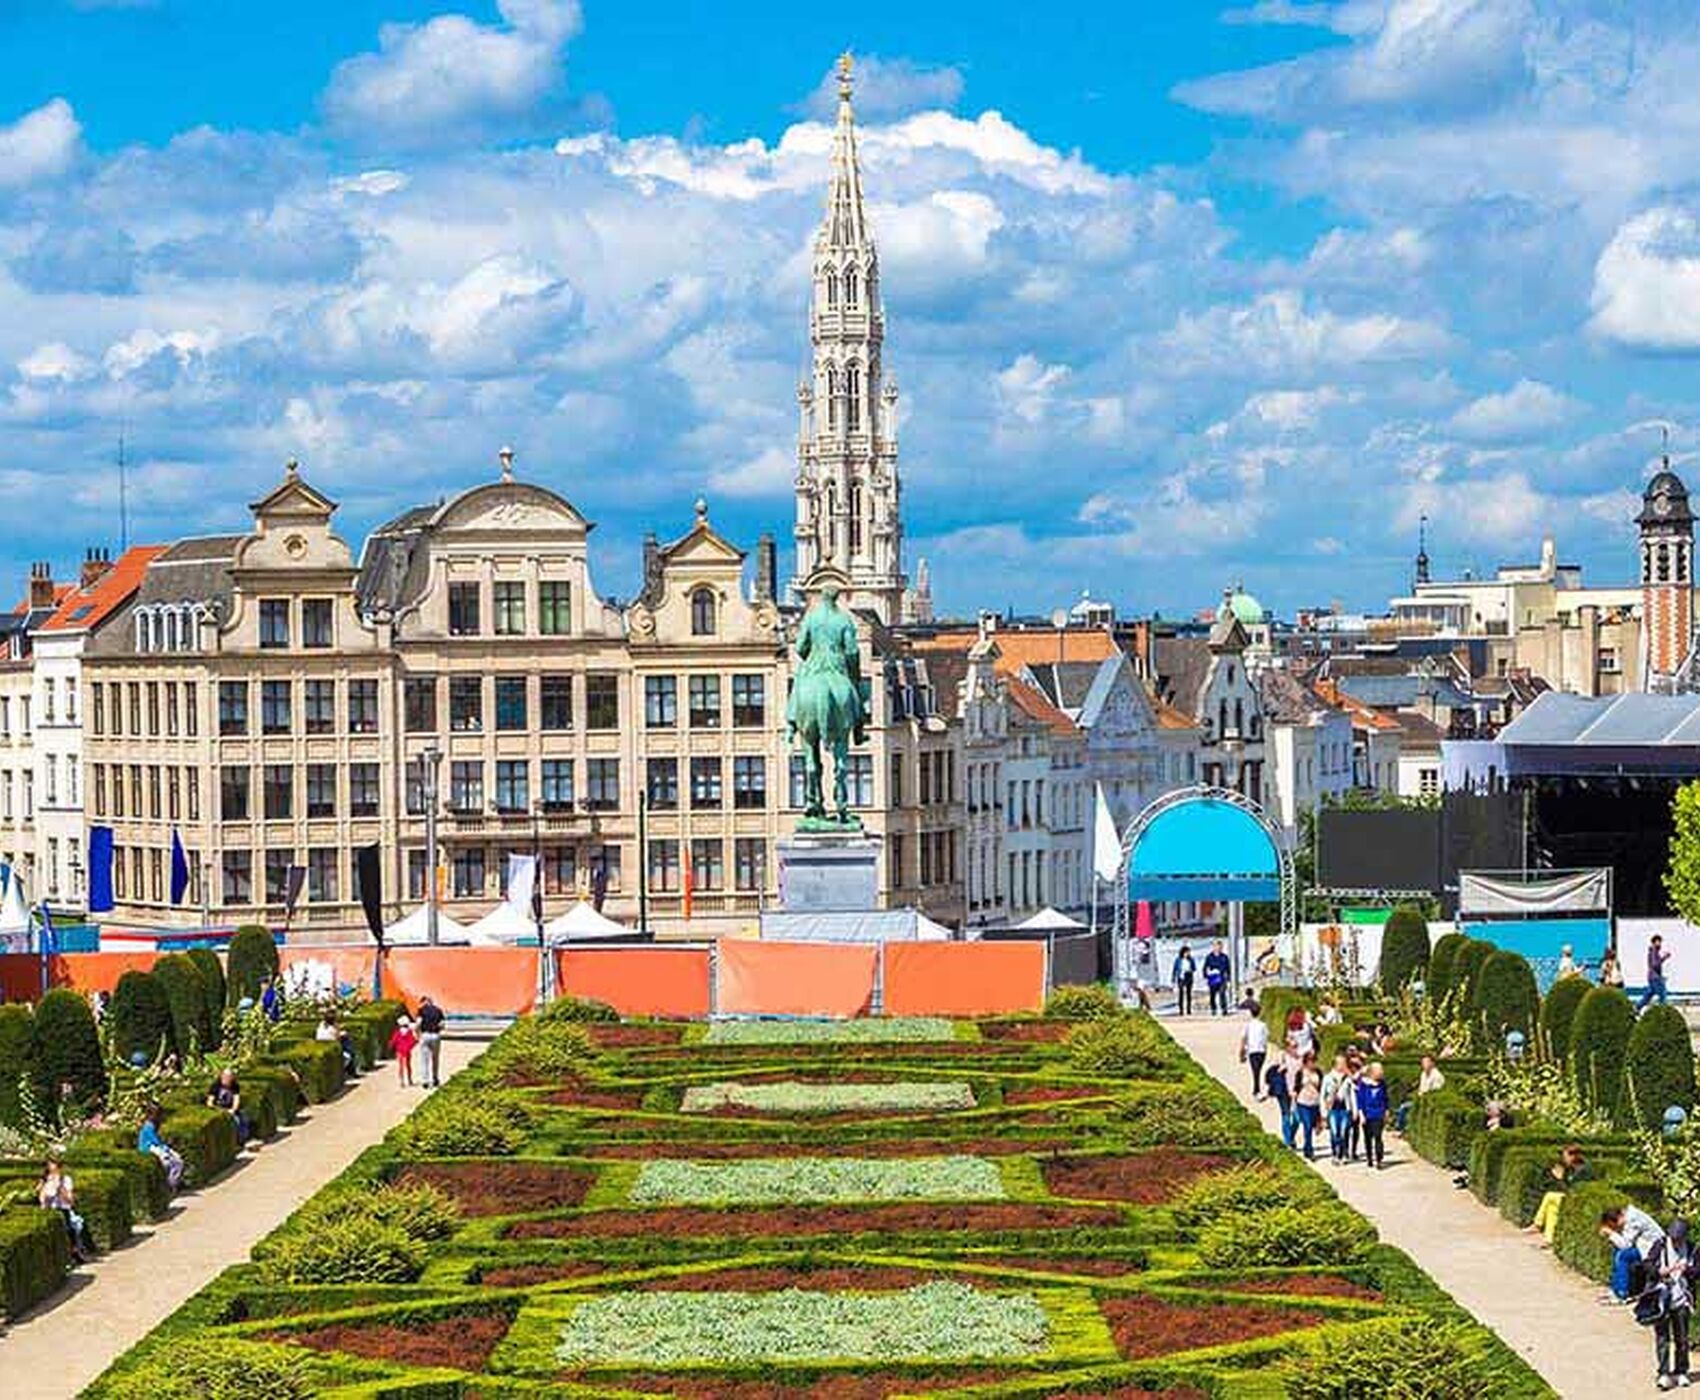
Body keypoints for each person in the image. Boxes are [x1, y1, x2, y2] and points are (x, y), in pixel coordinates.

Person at [1645, 1219, 1699, 1389]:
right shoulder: (1660, 1245)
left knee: (1682, 1339)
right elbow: (1646, 1265)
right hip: (1661, 1299)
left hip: (1682, 1299)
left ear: (1685, 1237)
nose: (1675, 1243)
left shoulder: (1692, 1248)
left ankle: (1681, 1371)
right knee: (1662, 1338)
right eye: (1673, 1239)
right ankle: (1663, 1373)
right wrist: (1658, 1271)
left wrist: (1687, 1270)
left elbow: (1698, 1272)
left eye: (1679, 1239)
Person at [1602, 1202, 1667, 1301]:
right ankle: (1615, 1288)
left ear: (1619, 1217)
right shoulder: (1630, 1217)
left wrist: (1611, 1234)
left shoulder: (1633, 1220)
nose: (1616, 1228)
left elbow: (1625, 1245)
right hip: (1643, 1247)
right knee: (1617, 1252)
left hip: (1652, 1250)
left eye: (1614, 1225)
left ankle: (1621, 1293)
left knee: (1623, 1256)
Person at [1529, 1145, 1592, 1244]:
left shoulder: (1582, 1170)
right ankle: (1549, 1239)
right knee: (1551, 1208)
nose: (1564, 1159)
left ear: (1573, 1156)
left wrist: (1560, 1178)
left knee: (1550, 1196)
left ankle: (1537, 1224)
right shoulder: (1571, 1168)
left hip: (1578, 1197)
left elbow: (1570, 1189)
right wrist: (1558, 1177)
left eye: (1565, 1156)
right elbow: (1566, 1187)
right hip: (1570, 1195)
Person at [38, 1156, 93, 1261]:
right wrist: (43, 1196)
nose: (49, 1166)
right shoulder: (45, 1179)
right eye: (48, 1164)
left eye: (52, 1164)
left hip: (63, 1208)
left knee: (68, 1230)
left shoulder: (65, 1179)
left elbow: (70, 1200)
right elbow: (41, 1196)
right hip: (49, 1210)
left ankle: (74, 1252)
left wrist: (60, 1189)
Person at [136, 1103, 185, 1191]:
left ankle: (173, 1182)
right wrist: (165, 1147)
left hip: (155, 1147)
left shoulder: (152, 1125)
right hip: (149, 1147)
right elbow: (155, 1141)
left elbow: (157, 1142)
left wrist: (166, 1147)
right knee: (169, 1162)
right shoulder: (148, 1126)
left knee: (178, 1160)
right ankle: (171, 1183)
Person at [1395, 1054, 1447, 1133]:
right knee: (1403, 1106)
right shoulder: (1423, 1074)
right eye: (1423, 1062)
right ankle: (1401, 1128)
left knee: (1404, 1108)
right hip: (1420, 1099)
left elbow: (1435, 1092)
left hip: (1429, 1101)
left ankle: (1400, 1129)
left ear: (1432, 1063)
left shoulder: (1437, 1076)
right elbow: (1421, 1089)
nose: (1424, 1064)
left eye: (1426, 1062)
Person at [206, 1067, 256, 1149]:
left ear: (232, 1078)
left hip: (230, 1109)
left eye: (228, 1077)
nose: (226, 1079)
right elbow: (209, 1102)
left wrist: (233, 1110)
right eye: (225, 1076)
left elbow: (236, 1100)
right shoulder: (215, 1086)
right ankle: (237, 1143)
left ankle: (243, 1140)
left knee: (244, 1119)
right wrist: (219, 1110)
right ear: (221, 1076)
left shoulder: (235, 1086)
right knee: (236, 1122)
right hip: (219, 1109)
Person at [1321, 1054, 1355, 1165]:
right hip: (1332, 1109)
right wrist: (1323, 1112)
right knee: (1335, 1132)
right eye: (1341, 1063)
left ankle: (1343, 1153)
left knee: (1344, 1132)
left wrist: (1354, 1110)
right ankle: (1335, 1154)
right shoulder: (1328, 1077)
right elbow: (1322, 1095)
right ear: (1335, 1064)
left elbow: (1353, 1093)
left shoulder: (1348, 1078)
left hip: (1345, 1108)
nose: (1343, 1065)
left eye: (1344, 1063)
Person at [1357, 1062, 1390, 1169]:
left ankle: (1379, 1159)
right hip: (1367, 1114)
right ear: (1372, 1072)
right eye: (1379, 1070)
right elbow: (1360, 1100)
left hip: (1378, 1113)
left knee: (1378, 1136)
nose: (1381, 1072)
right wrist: (1361, 1114)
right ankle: (1369, 1158)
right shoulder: (1363, 1084)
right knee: (1368, 1137)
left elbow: (1385, 1098)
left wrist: (1386, 1111)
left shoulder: (1382, 1084)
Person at [1293, 1053, 1323, 1161]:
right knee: (1308, 1126)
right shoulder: (1301, 1073)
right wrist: (1294, 1100)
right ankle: (1309, 1150)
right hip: (1303, 1102)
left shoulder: (1318, 1073)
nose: (1313, 1063)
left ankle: (1307, 1148)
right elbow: (1296, 1087)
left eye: (1314, 1060)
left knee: (1314, 1126)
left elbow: (1322, 1087)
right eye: (1310, 1061)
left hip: (1315, 1102)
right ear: (1306, 1062)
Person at [1239, 1004, 1269, 1100]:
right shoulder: (1263, 1025)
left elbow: (1243, 1039)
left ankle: (1256, 1090)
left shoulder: (1248, 1025)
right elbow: (1265, 1039)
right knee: (1257, 1070)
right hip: (1261, 1051)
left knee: (1256, 1070)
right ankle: (1256, 1090)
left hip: (1252, 1051)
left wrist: (1241, 1052)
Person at [1265, 1056, 1296, 1150]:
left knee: (1296, 1117)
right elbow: (1268, 1081)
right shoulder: (1274, 1069)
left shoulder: (1295, 1066)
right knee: (1286, 1114)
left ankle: (1290, 1137)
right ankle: (1288, 1140)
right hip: (1282, 1094)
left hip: (1296, 1093)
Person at [316, 1011, 358, 1079]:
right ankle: (349, 1072)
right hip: (333, 1047)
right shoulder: (332, 1029)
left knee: (347, 1044)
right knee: (348, 1054)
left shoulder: (321, 1025)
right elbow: (337, 1038)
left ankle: (350, 1072)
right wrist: (340, 1030)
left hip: (322, 1046)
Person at [416, 996, 445, 1088]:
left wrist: (418, 1034)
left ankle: (425, 1081)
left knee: (424, 1059)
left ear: (425, 1002)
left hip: (425, 1035)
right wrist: (437, 1029)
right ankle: (435, 1079)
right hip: (435, 1035)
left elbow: (418, 1023)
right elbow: (442, 1024)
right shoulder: (438, 1010)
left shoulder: (421, 1010)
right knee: (435, 1059)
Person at [1642, 936, 1674, 1011]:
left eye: (1660, 942)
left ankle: (1636, 1008)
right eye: (1658, 942)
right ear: (1653, 943)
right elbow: (1655, 964)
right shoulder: (1654, 952)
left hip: (1653, 977)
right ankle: (1663, 1011)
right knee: (1662, 994)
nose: (1659, 943)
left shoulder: (1653, 952)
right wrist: (1664, 957)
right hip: (1655, 978)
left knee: (1647, 996)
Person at [1203, 940, 1232, 1016]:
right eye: (1216, 946)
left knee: (1222, 993)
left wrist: (1229, 979)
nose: (1218, 948)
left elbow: (1228, 969)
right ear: (1213, 947)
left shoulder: (1224, 957)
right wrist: (1206, 976)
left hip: (1222, 978)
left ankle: (1224, 1009)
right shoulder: (1209, 957)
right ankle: (1213, 1009)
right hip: (1213, 978)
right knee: (1212, 995)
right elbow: (1205, 967)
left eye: (1219, 947)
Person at [390, 1014, 419, 1087]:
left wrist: (391, 1047)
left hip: (399, 1050)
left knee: (401, 1066)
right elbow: (413, 1041)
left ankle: (402, 1081)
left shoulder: (397, 1032)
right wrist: (410, 1047)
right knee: (408, 1066)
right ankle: (409, 1080)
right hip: (407, 1050)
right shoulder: (409, 1032)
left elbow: (393, 1041)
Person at [1171, 945, 1196, 1017]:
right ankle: (1181, 1009)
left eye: (1188, 952)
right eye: (1186, 952)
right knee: (1181, 993)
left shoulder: (1191, 959)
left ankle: (1188, 1009)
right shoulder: (1178, 959)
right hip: (1181, 977)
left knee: (1189, 993)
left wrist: (1190, 970)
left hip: (1188, 976)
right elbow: (1175, 969)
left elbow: (1194, 968)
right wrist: (1173, 978)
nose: (1187, 954)